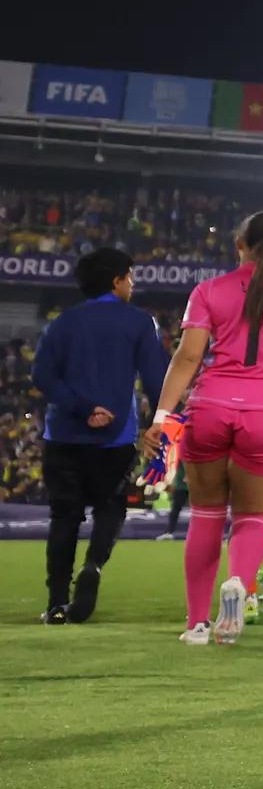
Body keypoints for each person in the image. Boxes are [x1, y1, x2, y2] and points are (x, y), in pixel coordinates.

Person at [143, 212, 263, 647]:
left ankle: (197, 623)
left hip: (209, 410)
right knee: (254, 518)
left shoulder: (209, 291)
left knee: (205, 516)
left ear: (240, 243)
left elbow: (187, 359)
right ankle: (238, 586)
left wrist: (161, 417)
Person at [34, 246, 167, 624]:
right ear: (117, 280)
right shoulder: (140, 322)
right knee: (111, 507)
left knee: (64, 517)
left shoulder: (61, 323)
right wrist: (160, 423)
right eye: (131, 276)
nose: (133, 283)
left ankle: (57, 602)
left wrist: (81, 407)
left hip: (63, 435)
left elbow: (42, 377)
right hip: (114, 439)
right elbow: (156, 381)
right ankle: (93, 565)